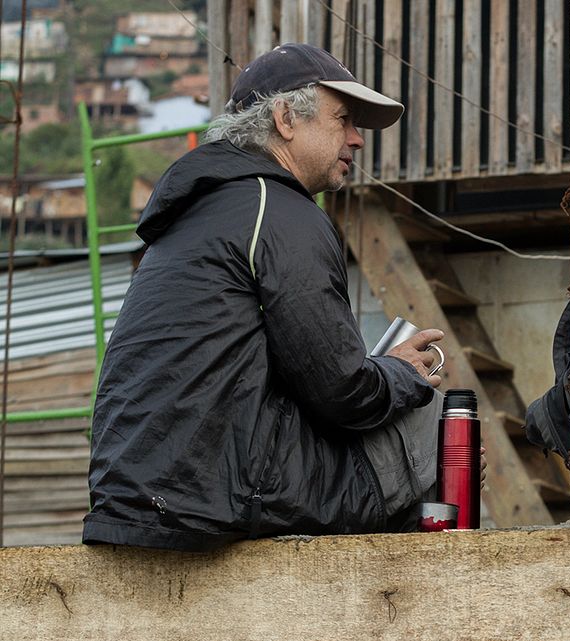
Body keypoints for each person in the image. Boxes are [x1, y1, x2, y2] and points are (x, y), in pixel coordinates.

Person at [84, 43, 451, 551]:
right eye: (342, 119)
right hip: (216, 498)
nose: (356, 139)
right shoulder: (278, 209)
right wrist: (402, 373)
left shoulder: (194, 215)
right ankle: (413, 592)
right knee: (439, 421)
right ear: (285, 118)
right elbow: (344, 394)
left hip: (135, 498)